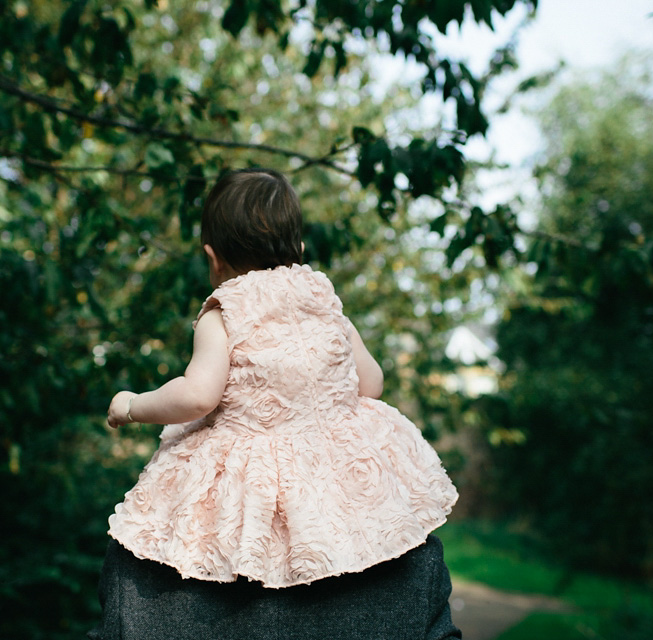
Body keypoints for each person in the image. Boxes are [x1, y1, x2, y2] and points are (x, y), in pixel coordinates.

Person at [89, 168, 461, 639]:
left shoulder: (225, 309)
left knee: (240, 526)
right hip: (326, 453)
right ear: (299, 249)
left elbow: (199, 395)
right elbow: (371, 382)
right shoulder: (321, 299)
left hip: (247, 448)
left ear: (212, 257)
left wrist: (132, 404)